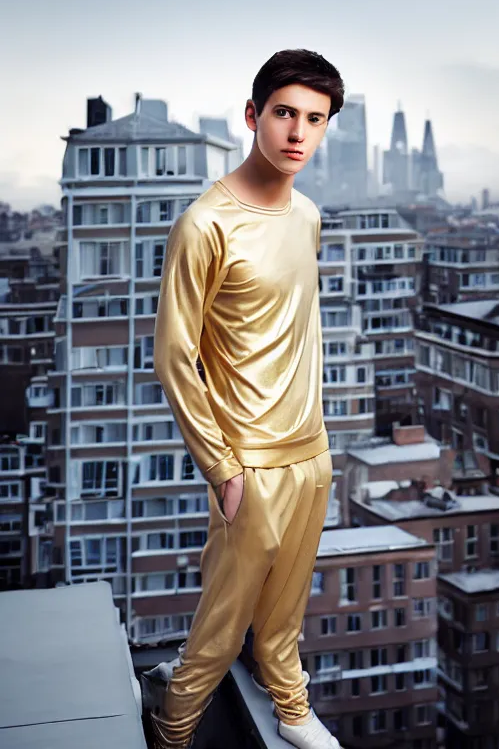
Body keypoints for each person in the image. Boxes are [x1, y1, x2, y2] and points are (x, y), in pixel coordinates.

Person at [151, 48, 345, 749]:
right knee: (224, 620)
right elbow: (175, 355)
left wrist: (318, 437)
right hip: (249, 463)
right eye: (285, 113)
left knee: (285, 607)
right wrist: (223, 467)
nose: (298, 132)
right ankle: (173, 729)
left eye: (314, 120)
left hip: (311, 452)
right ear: (253, 116)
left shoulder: (309, 217)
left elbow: (299, 329)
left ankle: (292, 710)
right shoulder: (205, 224)